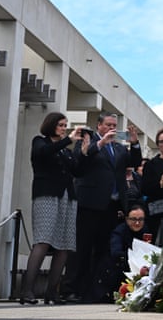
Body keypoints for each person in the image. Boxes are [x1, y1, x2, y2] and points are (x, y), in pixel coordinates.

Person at [63, 112, 141, 303]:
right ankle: (70, 289)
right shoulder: (89, 142)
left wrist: (135, 143)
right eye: (108, 124)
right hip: (89, 203)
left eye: (114, 125)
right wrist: (100, 144)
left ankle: (94, 290)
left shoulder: (119, 148)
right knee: (81, 248)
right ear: (99, 125)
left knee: (103, 249)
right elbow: (78, 163)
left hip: (112, 205)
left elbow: (135, 162)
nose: (112, 128)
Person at [20, 113, 83, 305]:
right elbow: (43, 153)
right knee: (43, 240)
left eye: (65, 125)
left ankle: (51, 292)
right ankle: (27, 291)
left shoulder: (66, 150)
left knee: (64, 245)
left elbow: (77, 171)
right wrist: (67, 141)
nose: (64, 128)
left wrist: (83, 150)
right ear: (51, 125)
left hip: (67, 197)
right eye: (61, 125)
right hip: (46, 195)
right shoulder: (40, 141)